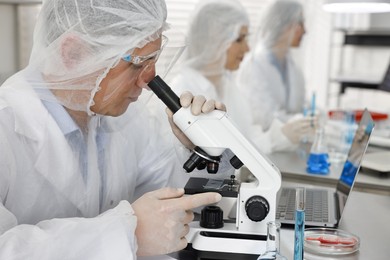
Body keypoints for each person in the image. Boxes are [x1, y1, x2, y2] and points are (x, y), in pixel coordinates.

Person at [0, 0, 227, 259]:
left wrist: (202, 149)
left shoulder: (129, 121)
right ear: (73, 53)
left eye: (153, 61)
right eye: (137, 64)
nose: (147, 81)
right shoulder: (5, 128)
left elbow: (183, 204)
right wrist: (127, 233)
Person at [163, 0, 314, 187]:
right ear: (215, 39)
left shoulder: (229, 86)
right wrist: (277, 138)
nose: (248, 48)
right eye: (239, 39)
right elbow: (187, 167)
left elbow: (245, 138)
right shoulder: (181, 93)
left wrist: (280, 135)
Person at [236, 0, 307, 131]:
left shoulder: (292, 66)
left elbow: (300, 105)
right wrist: (303, 123)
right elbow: (264, 118)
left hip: (290, 145)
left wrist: (315, 115)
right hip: (266, 146)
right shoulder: (254, 65)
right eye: (300, 24)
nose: (304, 31)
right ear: (284, 25)